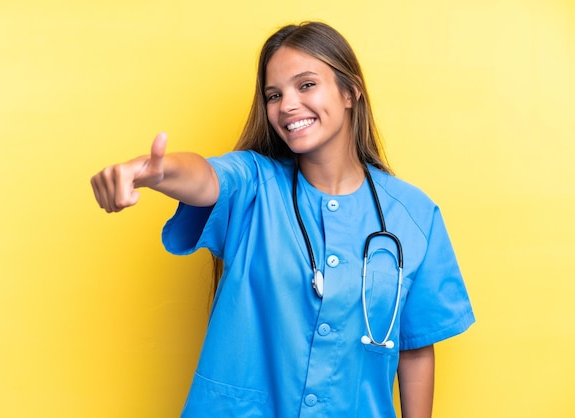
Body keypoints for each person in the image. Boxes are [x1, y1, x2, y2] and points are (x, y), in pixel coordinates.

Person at [91, 21, 475, 418]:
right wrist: (152, 172)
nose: (287, 105)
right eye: (274, 95)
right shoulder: (254, 184)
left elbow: (414, 348)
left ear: (350, 91)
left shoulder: (413, 215)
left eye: (306, 85)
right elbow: (204, 176)